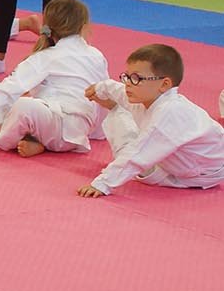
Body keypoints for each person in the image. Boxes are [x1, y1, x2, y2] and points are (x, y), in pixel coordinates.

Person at [78, 45, 224, 196]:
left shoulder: (170, 112)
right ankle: (115, 107)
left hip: (201, 175)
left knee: (132, 156)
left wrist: (102, 184)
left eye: (136, 78)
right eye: (127, 76)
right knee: (126, 114)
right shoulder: (149, 97)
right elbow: (121, 92)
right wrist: (100, 88)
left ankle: (114, 109)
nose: (128, 83)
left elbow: (137, 155)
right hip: (183, 164)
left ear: (164, 84)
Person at [0, 0, 107, 158]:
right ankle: (36, 142)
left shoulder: (46, 56)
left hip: (56, 128)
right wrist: (98, 132)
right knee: (21, 107)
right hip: (79, 133)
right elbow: (104, 95)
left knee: (22, 105)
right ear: (84, 27)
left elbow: (12, 86)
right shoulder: (96, 55)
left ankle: (0, 140)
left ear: (48, 27)